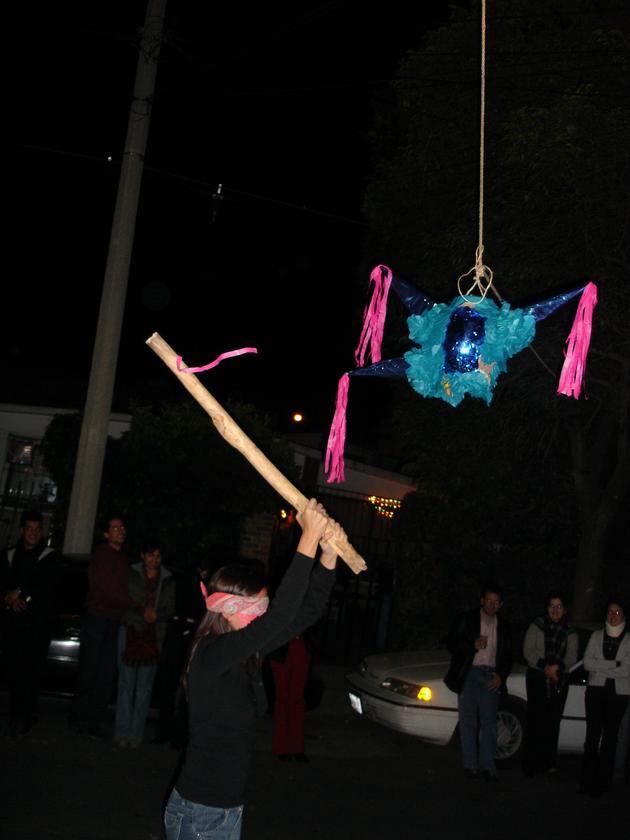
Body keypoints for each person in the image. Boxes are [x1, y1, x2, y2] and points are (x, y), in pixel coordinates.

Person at [164, 499, 343, 840]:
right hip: (201, 813)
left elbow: (303, 613)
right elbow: (279, 616)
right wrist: (306, 539)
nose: (263, 613)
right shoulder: (212, 655)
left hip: (224, 808)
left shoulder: (245, 650)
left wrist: (328, 556)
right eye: (257, 604)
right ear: (228, 606)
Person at [70, 516, 155, 736]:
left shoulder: (122, 559)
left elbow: (127, 588)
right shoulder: (102, 555)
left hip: (114, 621)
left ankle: (92, 720)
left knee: (106, 673)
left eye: (122, 527)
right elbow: (111, 591)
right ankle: (79, 720)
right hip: (97, 619)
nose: (120, 531)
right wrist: (139, 608)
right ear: (107, 534)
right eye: (115, 528)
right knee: (90, 671)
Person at [444, 584, 512, 781]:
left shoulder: (504, 626)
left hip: (491, 674)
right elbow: (451, 643)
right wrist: (471, 645)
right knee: (468, 721)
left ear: (500, 604)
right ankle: (470, 766)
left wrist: (501, 675)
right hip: (470, 673)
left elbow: (508, 655)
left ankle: (488, 767)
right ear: (482, 601)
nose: (492, 604)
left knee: (489, 723)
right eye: (488, 600)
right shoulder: (467, 619)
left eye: (496, 602)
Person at [0, 511, 60, 737]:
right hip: (12, 625)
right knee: (13, 672)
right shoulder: (8, 555)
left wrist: (22, 595)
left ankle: (25, 717)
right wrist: (7, 596)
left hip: (37, 626)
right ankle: (15, 716)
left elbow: (46, 587)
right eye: (30, 528)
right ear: (22, 530)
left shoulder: (50, 556)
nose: (34, 532)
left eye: (37, 529)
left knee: (31, 673)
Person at [114, 541, 175, 747]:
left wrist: (156, 615)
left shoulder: (167, 579)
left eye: (157, 556)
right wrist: (142, 613)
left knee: (144, 687)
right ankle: (122, 731)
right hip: (131, 630)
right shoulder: (131, 573)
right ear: (142, 556)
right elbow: (124, 599)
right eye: (150, 555)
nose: (154, 560)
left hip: (153, 634)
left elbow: (169, 608)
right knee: (126, 683)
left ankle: (135, 734)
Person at [522, 591, 578, 776]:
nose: (555, 610)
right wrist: (545, 667)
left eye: (559, 606)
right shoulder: (537, 625)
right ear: (547, 609)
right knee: (535, 720)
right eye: (552, 606)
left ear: (565, 609)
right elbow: (528, 651)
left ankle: (549, 762)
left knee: (553, 722)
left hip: (559, 680)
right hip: (537, 677)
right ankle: (531, 763)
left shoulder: (571, 630)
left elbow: (571, 657)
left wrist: (557, 669)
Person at [579, 598, 630, 797]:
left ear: (624, 616)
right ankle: (586, 781)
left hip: (618, 694)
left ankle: (603, 784)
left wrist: (604, 666)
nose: (613, 615)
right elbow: (587, 664)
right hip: (596, 692)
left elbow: (628, 669)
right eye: (610, 611)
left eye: (617, 612)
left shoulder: (628, 640)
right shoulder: (596, 636)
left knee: (610, 739)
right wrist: (614, 665)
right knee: (592, 737)